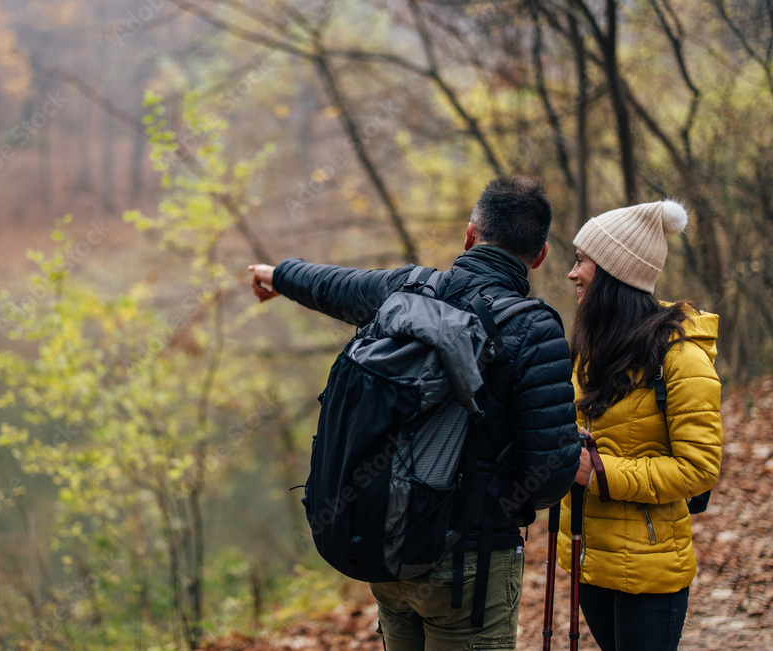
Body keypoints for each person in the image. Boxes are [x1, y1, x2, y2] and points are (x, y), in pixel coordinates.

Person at [249, 175, 581, 650]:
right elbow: (548, 478)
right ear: (540, 255)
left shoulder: (406, 289)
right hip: (470, 566)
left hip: (390, 548)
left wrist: (276, 274)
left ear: (470, 234)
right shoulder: (534, 328)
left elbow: (332, 285)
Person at [558, 199, 723, 651]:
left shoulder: (680, 357)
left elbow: (699, 469)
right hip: (589, 555)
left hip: (650, 568)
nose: (572, 274)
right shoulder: (590, 349)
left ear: (613, 272)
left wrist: (603, 473)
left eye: (582, 262)